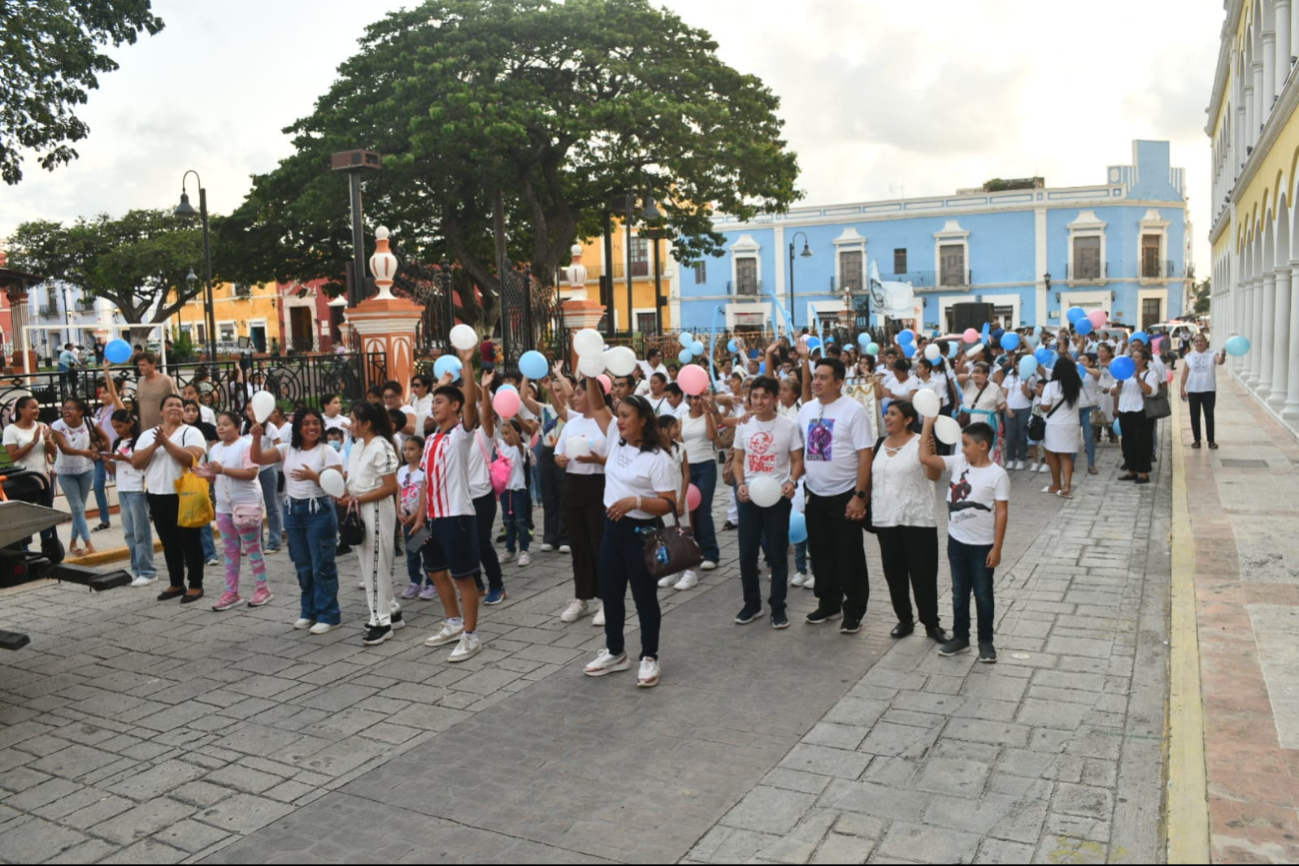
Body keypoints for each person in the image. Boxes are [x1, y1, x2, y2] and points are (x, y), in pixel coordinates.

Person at [581, 395, 679, 689]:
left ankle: (649, 655)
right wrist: (589, 370)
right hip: (611, 531)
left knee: (644, 597)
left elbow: (669, 504)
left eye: (626, 416)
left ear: (643, 420)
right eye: (619, 415)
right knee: (610, 594)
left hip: (641, 534)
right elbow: (597, 405)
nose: (619, 421)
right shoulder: (615, 437)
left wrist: (636, 501)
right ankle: (615, 652)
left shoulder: (658, 458)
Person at [415, 346, 489, 662]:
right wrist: (419, 518)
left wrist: (468, 363)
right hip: (432, 518)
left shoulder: (461, 434)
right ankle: (453, 622)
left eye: (440, 401)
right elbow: (425, 482)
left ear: (455, 406)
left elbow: (472, 402)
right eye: (432, 402)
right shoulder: (430, 439)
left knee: (463, 576)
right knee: (435, 571)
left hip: (456, 515)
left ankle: (471, 636)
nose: (434, 406)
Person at [917, 418, 1009, 664]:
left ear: (982, 446)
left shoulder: (997, 475)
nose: (962, 449)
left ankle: (986, 642)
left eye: (966, 444)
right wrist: (927, 424)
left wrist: (997, 547)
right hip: (956, 542)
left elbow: (1001, 512)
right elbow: (926, 458)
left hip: (983, 546)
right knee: (959, 593)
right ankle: (960, 637)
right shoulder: (958, 463)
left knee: (983, 594)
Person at [253, 407, 345, 634]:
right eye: (306, 423)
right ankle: (309, 611)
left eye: (316, 423)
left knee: (322, 564)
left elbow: (337, 486)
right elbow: (257, 458)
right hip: (293, 511)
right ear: (298, 427)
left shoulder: (327, 451)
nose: (312, 427)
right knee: (303, 565)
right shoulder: (287, 449)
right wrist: (256, 438)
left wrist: (313, 476)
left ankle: (329, 614)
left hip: (319, 511)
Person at [799, 355, 874, 634]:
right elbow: (795, 445)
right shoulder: (806, 409)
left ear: (839, 382)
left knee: (849, 555)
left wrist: (860, 496)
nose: (816, 382)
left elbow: (865, 456)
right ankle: (828, 602)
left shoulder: (854, 411)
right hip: (815, 494)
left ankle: (853, 610)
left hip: (845, 494)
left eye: (823, 377)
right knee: (820, 552)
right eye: (815, 376)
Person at [871, 401, 947, 643]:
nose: (887, 417)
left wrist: (929, 453)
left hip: (918, 518)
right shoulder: (879, 444)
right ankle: (904, 619)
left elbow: (934, 475)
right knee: (894, 573)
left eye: (893, 414)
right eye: (886, 413)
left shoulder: (921, 443)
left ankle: (931, 624)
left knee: (923, 574)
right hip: (886, 518)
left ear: (908, 419)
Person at [732, 376, 803, 629]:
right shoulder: (744, 426)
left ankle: (778, 607)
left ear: (775, 398)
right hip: (749, 497)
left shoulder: (788, 426)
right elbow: (738, 461)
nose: (759, 401)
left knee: (777, 554)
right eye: (755, 396)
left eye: (765, 396)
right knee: (747, 554)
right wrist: (740, 484)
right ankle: (752, 605)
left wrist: (792, 481)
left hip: (777, 499)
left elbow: (797, 460)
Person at [551, 371, 613, 625]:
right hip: (574, 485)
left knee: (600, 544)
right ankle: (582, 597)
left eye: (579, 392)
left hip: (599, 485)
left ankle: (607, 600)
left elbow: (617, 459)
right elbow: (558, 453)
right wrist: (560, 459)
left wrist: (597, 460)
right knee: (579, 545)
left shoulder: (608, 422)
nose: (574, 397)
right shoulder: (573, 423)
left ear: (595, 394)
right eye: (575, 392)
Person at [132, 394, 207, 602]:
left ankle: (195, 584)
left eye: (179, 405)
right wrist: (155, 445)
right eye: (170, 405)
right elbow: (137, 462)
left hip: (184, 495)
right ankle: (176, 582)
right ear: (161, 411)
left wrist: (165, 442)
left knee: (190, 541)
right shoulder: (148, 435)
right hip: (157, 494)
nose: (175, 408)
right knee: (169, 542)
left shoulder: (192, 432)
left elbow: (190, 458)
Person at [342, 400, 403, 645]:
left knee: (376, 563)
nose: (350, 425)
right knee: (368, 563)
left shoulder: (382, 447)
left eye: (354, 421)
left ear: (367, 423)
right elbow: (353, 476)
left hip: (376, 508)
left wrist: (359, 498)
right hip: (360, 506)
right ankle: (391, 609)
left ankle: (381, 621)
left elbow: (390, 487)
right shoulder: (358, 445)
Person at [202, 411, 272, 612]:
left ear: (237, 426)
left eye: (226, 424)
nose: (220, 427)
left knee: (252, 548)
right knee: (230, 550)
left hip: (246, 504)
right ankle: (231, 592)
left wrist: (222, 470)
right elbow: (216, 477)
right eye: (218, 424)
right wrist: (207, 474)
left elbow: (252, 473)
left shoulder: (246, 445)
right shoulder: (214, 449)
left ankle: (263, 588)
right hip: (224, 507)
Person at [50, 398, 109, 557]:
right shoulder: (57, 425)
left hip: (86, 470)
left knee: (79, 509)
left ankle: (72, 543)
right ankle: (89, 543)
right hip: (65, 471)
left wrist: (104, 455)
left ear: (81, 411)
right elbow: (64, 449)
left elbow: (106, 439)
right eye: (64, 408)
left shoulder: (90, 422)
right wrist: (86, 452)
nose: (66, 411)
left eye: (70, 408)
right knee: (77, 508)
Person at [3, 396, 61, 558]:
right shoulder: (11, 430)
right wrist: (34, 441)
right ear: (21, 410)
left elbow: (53, 452)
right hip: (25, 480)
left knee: (45, 511)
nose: (37, 410)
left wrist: (47, 438)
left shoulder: (41, 426)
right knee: (25, 514)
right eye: (33, 407)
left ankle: (48, 544)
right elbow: (13, 456)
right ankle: (24, 548)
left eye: (37, 407)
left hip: (44, 476)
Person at [105, 409, 156, 586]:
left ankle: (148, 571)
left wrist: (122, 458)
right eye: (114, 427)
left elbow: (138, 463)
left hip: (137, 488)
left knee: (141, 531)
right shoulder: (117, 442)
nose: (117, 430)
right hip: (122, 488)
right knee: (129, 533)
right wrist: (108, 461)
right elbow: (114, 469)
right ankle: (136, 569)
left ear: (130, 423)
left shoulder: (139, 442)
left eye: (120, 426)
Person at [521, 371, 568, 553]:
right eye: (552, 389)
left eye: (559, 390)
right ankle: (550, 536)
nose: (555, 392)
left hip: (564, 454)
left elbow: (571, 393)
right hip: (547, 452)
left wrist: (559, 375)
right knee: (549, 496)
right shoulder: (544, 409)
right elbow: (524, 397)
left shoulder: (570, 410)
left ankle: (565, 537)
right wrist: (526, 374)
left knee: (563, 495)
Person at [680, 389, 721, 578]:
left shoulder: (708, 414)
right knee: (690, 512)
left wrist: (707, 410)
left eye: (700, 397)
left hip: (706, 466)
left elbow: (713, 436)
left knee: (703, 510)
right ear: (688, 399)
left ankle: (711, 554)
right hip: (687, 468)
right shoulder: (681, 418)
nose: (697, 401)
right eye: (694, 398)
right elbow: (678, 442)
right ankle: (695, 551)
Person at [398, 436, 436, 601]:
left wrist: (416, 516)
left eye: (412, 449)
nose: (407, 452)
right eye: (405, 449)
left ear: (421, 450)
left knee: (426, 550)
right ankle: (415, 581)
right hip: (406, 520)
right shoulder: (401, 471)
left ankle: (431, 582)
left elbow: (426, 496)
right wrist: (398, 513)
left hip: (421, 519)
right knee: (411, 551)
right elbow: (398, 493)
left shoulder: (424, 471)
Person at [1113, 348, 1158, 485]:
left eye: (1137, 357)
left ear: (1144, 360)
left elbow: (1152, 392)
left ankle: (1143, 473)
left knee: (1142, 443)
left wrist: (1139, 380)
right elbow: (1112, 391)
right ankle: (1131, 470)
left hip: (1141, 412)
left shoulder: (1150, 374)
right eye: (1133, 357)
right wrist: (1119, 385)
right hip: (1125, 411)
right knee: (1127, 443)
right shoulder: (1125, 374)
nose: (1134, 360)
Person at [1040, 360, 1082, 498]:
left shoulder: (1051, 386)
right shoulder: (1077, 385)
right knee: (1066, 456)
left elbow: (1045, 407)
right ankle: (1067, 486)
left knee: (1051, 454)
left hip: (1054, 425)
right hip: (1072, 424)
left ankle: (1055, 484)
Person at [498, 418, 533, 567]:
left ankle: (524, 550)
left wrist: (508, 421)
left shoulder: (522, 447)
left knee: (521, 521)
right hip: (505, 490)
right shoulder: (501, 447)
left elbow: (518, 443)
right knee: (508, 521)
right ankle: (509, 549)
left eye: (508, 433)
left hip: (518, 490)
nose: (505, 436)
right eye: (503, 433)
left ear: (517, 433)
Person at [1181, 334, 1225, 449]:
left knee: (1209, 415)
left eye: (1201, 341)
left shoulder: (1212, 354)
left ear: (1206, 342)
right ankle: (1197, 440)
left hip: (1208, 389)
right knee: (1194, 416)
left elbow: (1220, 361)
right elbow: (1185, 373)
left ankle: (1211, 440)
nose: (1199, 343)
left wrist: (1223, 354)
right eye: (1196, 341)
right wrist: (1182, 388)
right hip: (1193, 390)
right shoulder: (1189, 356)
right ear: (1194, 343)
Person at [1001, 360, 1036, 471]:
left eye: (1021, 364)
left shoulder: (1031, 378)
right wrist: (1007, 409)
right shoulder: (1009, 377)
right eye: (1016, 364)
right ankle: (1010, 459)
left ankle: (1021, 459)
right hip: (1011, 407)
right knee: (1010, 436)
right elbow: (1003, 395)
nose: (1018, 366)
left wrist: (1025, 384)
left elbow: (1030, 395)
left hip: (1025, 408)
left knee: (1022, 435)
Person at [133, 353, 179, 431]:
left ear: (153, 365)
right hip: (145, 429)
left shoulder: (166, 380)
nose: (140, 368)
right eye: (139, 365)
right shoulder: (140, 381)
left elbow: (177, 402)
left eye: (143, 365)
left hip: (163, 429)